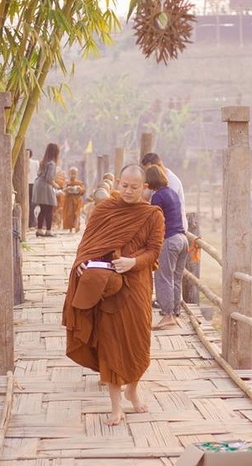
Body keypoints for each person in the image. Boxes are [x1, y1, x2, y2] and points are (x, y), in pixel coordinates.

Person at [63, 164, 165, 425]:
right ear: (118, 183)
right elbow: (87, 246)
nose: (128, 191)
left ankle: (132, 389)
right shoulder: (105, 210)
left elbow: (154, 251)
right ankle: (116, 406)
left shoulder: (153, 215)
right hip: (108, 288)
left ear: (144, 188)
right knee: (111, 344)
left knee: (138, 341)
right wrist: (83, 263)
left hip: (137, 286)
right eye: (124, 186)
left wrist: (133, 262)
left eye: (134, 187)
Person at [145, 165, 188, 329]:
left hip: (169, 240)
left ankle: (167, 314)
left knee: (163, 278)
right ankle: (175, 313)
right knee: (176, 278)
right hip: (182, 240)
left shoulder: (158, 197)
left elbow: (155, 222)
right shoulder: (172, 193)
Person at [141, 152, 188, 231]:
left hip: (173, 228)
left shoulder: (172, 182)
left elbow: (169, 211)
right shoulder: (154, 180)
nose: (147, 174)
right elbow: (145, 197)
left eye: (148, 171)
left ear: (155, 168)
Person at [32, 143, 60, 237]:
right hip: (45, 187)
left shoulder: (43, 161)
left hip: (38, 185)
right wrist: (56, 186)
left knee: (43, 210)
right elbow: (49, 178)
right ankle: (48, 231)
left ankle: (39, 230)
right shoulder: (52, 163)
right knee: (49, 209)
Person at [62, 167, 86, 232]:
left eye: (74, 173)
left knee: (77, 213)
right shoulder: (67, 182)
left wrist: (80, 189)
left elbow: (83, 191)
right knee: (69, 214)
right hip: (69, 200)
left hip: (77, 200)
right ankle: (70, 228)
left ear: (77, 174)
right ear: (69, 173)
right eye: (72, 173)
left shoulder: (79, 183)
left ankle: (76, 226)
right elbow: (63, 189)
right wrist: (68, 189)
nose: (73, 175)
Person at [27, 149, 39, 229]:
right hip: (31, 184)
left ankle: (31, 222)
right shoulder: (35, 162)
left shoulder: (35, 162)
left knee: (31, 204)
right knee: (31, 204)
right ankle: (31, 223)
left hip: (31, 184)